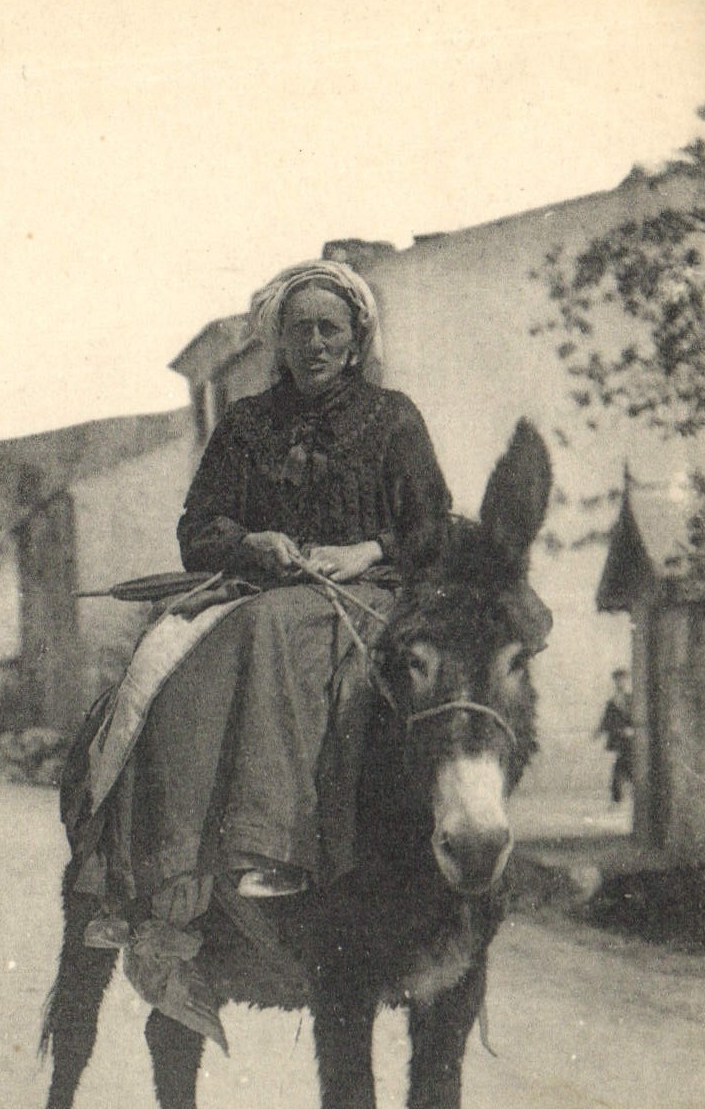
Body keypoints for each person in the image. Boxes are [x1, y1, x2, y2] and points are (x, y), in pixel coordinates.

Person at [74, 260, 452, 936]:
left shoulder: (393, 418)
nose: (314, 343)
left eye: (329, 328)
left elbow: (432, 525)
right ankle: (168, 862)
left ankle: (445, 840)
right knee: (162, 664)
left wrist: (367, 551)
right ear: (278, 341)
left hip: (373, 593)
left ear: (357, 337)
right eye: (299, 328)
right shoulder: (247, 424)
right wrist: (253, 543)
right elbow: (198, 531)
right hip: (264, 589)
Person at [596, 667, 634, 805]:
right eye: (617, 680)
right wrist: (599, 731)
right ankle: (617, 796)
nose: (620, 682)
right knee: (624, 766)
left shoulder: (632, 699)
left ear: (627, 680)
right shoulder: (613, 701)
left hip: (631, 739)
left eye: (622, 679)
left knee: (624, 766)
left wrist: (632, 730)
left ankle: (618, 796)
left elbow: (636, 717)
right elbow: (606, 719)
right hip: (619, 739)